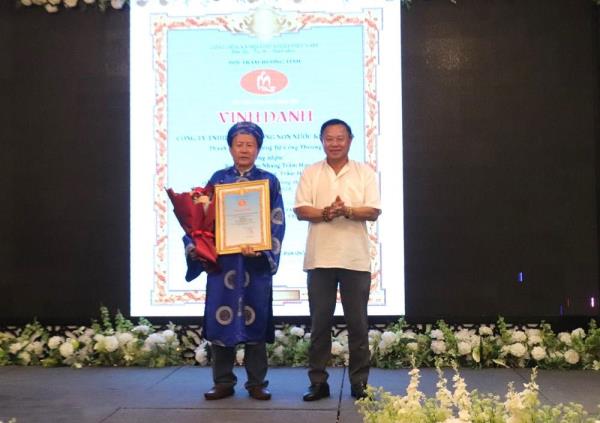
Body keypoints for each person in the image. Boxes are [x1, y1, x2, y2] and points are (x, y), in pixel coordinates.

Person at [184, 121, 285, 401]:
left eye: (250, 145)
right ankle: (223, 382)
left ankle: (256, 383)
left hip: (255, 265)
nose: (244, 150)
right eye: (239, 144)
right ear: (230, 148)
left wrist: (264, 251)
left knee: (256, 321)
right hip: (223, 265)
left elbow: (277, 221)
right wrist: (197, 247)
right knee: (221, 321)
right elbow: (200, 221)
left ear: (258, 149)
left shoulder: (269, 181)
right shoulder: (218, 180)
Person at [293, 118, 381, 401]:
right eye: (329, 138)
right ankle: (318, 382)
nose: (334, 143)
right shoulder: (311, 172)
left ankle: (360, 383)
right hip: (320, 259)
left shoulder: (364, 172)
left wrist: (348, 211)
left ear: (350, 140)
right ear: (321, 141)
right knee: (320, 325)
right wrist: (326, 213)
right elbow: (301, 210)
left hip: (355, 259)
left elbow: (373, 211)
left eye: (340, 138)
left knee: (358, 325)